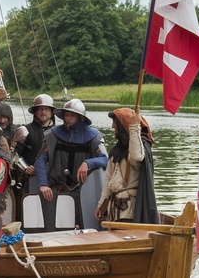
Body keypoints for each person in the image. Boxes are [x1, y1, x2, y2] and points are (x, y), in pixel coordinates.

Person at [35, 99, 108, 227]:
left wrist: (88, 163)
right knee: (57, 227)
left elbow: (105, 160)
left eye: (72, 115)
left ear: (81, 118)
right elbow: (40, 160)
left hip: (83, 192)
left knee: (81, 228)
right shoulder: (53, 135)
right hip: (57, 190)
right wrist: (43, 184)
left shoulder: (94, 137)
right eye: (66, 115)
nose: (68, 119)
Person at [95, 108, 157, 224]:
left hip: (129, 209)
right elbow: (108, 179)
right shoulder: (115, 150)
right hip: (115, 208)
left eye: (115, 122)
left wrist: (134, 127)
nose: (112, 126)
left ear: (123, 125)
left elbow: (137, 157)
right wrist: (101, 205)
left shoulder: (139, 148)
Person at [13, 94, 56, 179]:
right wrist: (25, 168)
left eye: (46, 109)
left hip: (52, 178)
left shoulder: (58, 132)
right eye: (40, 109)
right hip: (30, 177)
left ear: (51, 112)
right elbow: (13, 155)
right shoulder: (24, 131)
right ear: (35, 112)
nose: (43, 112)